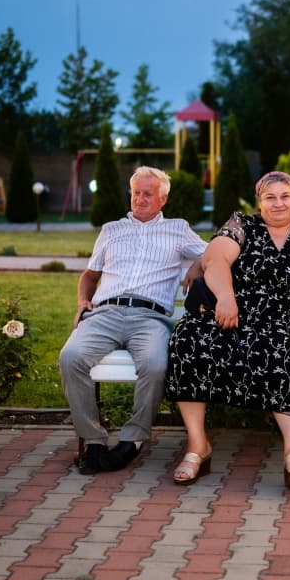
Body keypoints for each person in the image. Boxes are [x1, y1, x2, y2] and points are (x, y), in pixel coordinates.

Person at [165, 171, 290, 487]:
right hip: (230, 314)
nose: (278, 203)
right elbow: (215, 260)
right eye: (270, 197)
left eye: (285, 196)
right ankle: (197, 445)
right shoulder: (242, 226)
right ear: (259, 201)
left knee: (278, 348)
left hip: (280, 323)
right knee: (187, 338)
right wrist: (226, 299)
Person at [59, 166, 207, 475]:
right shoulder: (111, 229)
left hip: (150, 318)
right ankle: (94, 442)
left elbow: (216, 252)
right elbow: (90, 275)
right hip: (105, 313)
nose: (139, 199)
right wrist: (83, 300)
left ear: (162, 199)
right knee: (70, 357)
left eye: (147, 194)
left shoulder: (178, 229)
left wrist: (197, 266)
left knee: (154, 365)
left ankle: (133, 439)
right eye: (136, 192)